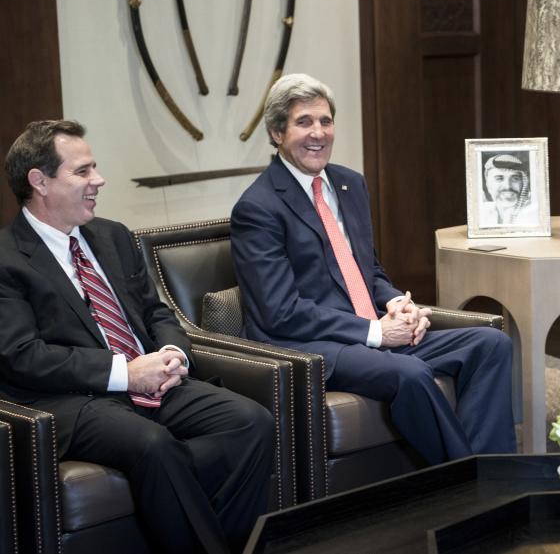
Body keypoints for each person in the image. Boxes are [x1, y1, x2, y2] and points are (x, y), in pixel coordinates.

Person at [0, 120, 274, 554]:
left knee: (251, 422)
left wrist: (171, 354)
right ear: (40, 181)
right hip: (73, 399)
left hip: (155, 377)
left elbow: (155, 310)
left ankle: (234, 544)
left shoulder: (113, 236)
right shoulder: (7, 258)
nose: (99, 180)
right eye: (83, 171)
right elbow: (23, 356)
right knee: (155, 447)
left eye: (96, 168)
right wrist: (125, 373)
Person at [230, 73, 516, 465]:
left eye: (325, 121)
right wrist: (376, 332)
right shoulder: (258, 207)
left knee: (490, 343)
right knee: (410, 374)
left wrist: (397, 302)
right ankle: (470, 481)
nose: (318, 133)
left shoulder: (349, 184)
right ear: (277, 133)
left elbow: (368, 271)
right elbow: (280, 311)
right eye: (304, 122)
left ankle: (493, 470)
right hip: (313, 345)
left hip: (369, 330)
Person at [478, 153, 538, 226]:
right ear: (488, 184)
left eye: (515, 178)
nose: (507, 186)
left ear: (523, 183)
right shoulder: (482, 212)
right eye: (499, 178)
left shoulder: (533, 212)